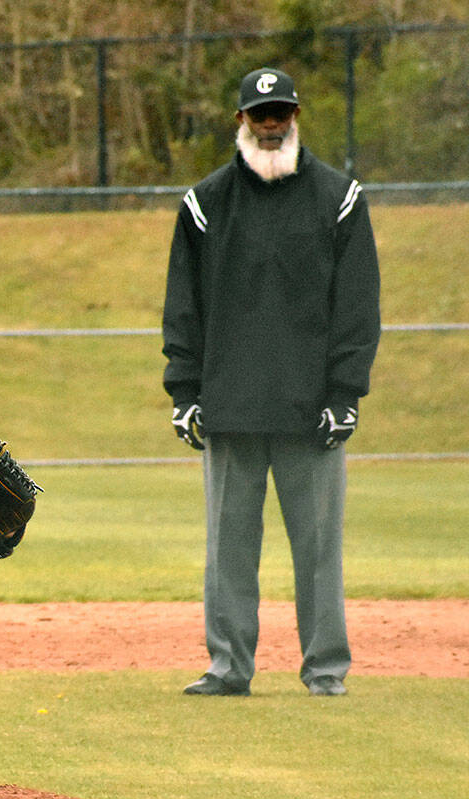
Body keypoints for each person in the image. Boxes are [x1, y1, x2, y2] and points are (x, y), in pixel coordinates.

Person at [161, 67, 381, 698]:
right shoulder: (205, 204)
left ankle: (325, 669)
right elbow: (184, 306)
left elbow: (357, 305)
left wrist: (345, 394)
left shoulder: (340, 197)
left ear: (295, 116)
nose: (270, 124)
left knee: (319, 551)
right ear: (241, 120)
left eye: (280, 113)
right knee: (229, 551)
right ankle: (228, 667)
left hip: (311, 411)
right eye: (259, 115)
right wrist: (185, 393)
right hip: (229, 407)